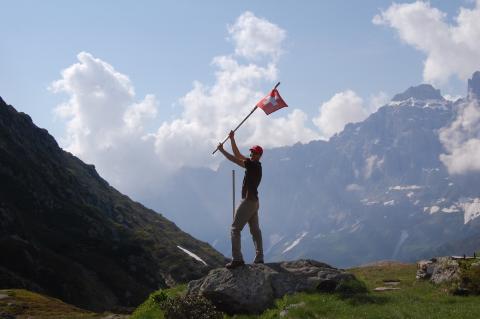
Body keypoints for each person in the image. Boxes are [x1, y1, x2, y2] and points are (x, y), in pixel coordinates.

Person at [217, 131, 264, 269]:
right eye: (251, 152)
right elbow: (239, 156)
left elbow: (235, 157)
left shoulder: (252, 165)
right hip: (255, 202)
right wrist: (231, 139)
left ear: (259, 155)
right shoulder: (255, 165)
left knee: (235, 229)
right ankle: (259, 257)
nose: (252, 154)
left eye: (255, 153)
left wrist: (223, 149)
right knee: (255, 231)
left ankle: (237, 259)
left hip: (248, 201)